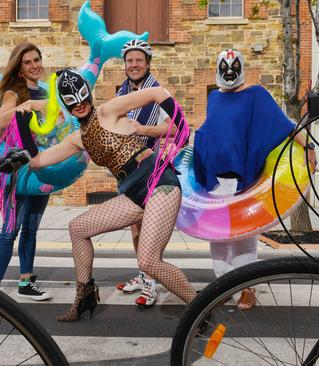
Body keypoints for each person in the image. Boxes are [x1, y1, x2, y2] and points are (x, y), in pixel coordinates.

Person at [23, 68, 195, 322]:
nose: (79, 104)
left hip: (159, 181)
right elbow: (37, 162)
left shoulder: (108, 110)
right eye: (72, 100)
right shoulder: (77, 138)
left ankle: (199, 306)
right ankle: (85, 296)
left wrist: (181, 128)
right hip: (132, 192)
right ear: (65, 104)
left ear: (88, 94)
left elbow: (158, 93)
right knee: (78, 228)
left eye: (82, 96)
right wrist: (22, 121)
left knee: (148, 261)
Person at [194, 49, 317, 310]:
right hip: (214, 181)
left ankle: (247, 287)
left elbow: (283, 124)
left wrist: (309, 148)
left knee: (244, 236)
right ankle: (223, 285)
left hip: (243, 180)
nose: (229, 71)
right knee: (218, 237)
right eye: (224, 66)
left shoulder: (255, 95)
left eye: (234, 66)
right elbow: (211, 130)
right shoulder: (214, 97)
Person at [114, 39, 176, 309]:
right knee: (135, 227)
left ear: (147, 63)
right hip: (128, 169)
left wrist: (143, 129)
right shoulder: (122, 94)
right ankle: (143, 275)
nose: (134, 65)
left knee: (149, 229)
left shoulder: (159, 92)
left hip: (153, 170)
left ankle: (150, 285)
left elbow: (176, 127)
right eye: (130, 61)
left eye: (139, 60)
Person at [0, 42, 52, 302]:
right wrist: (32, 106)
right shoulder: (15, 92)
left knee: (32, 229)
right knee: (10, 230)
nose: (34, 65)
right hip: (18, 170)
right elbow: (0, 121)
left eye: (37, 60)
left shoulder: (46, 91)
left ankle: (26, 282)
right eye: (28, 62)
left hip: (41, 167)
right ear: (19, 66)